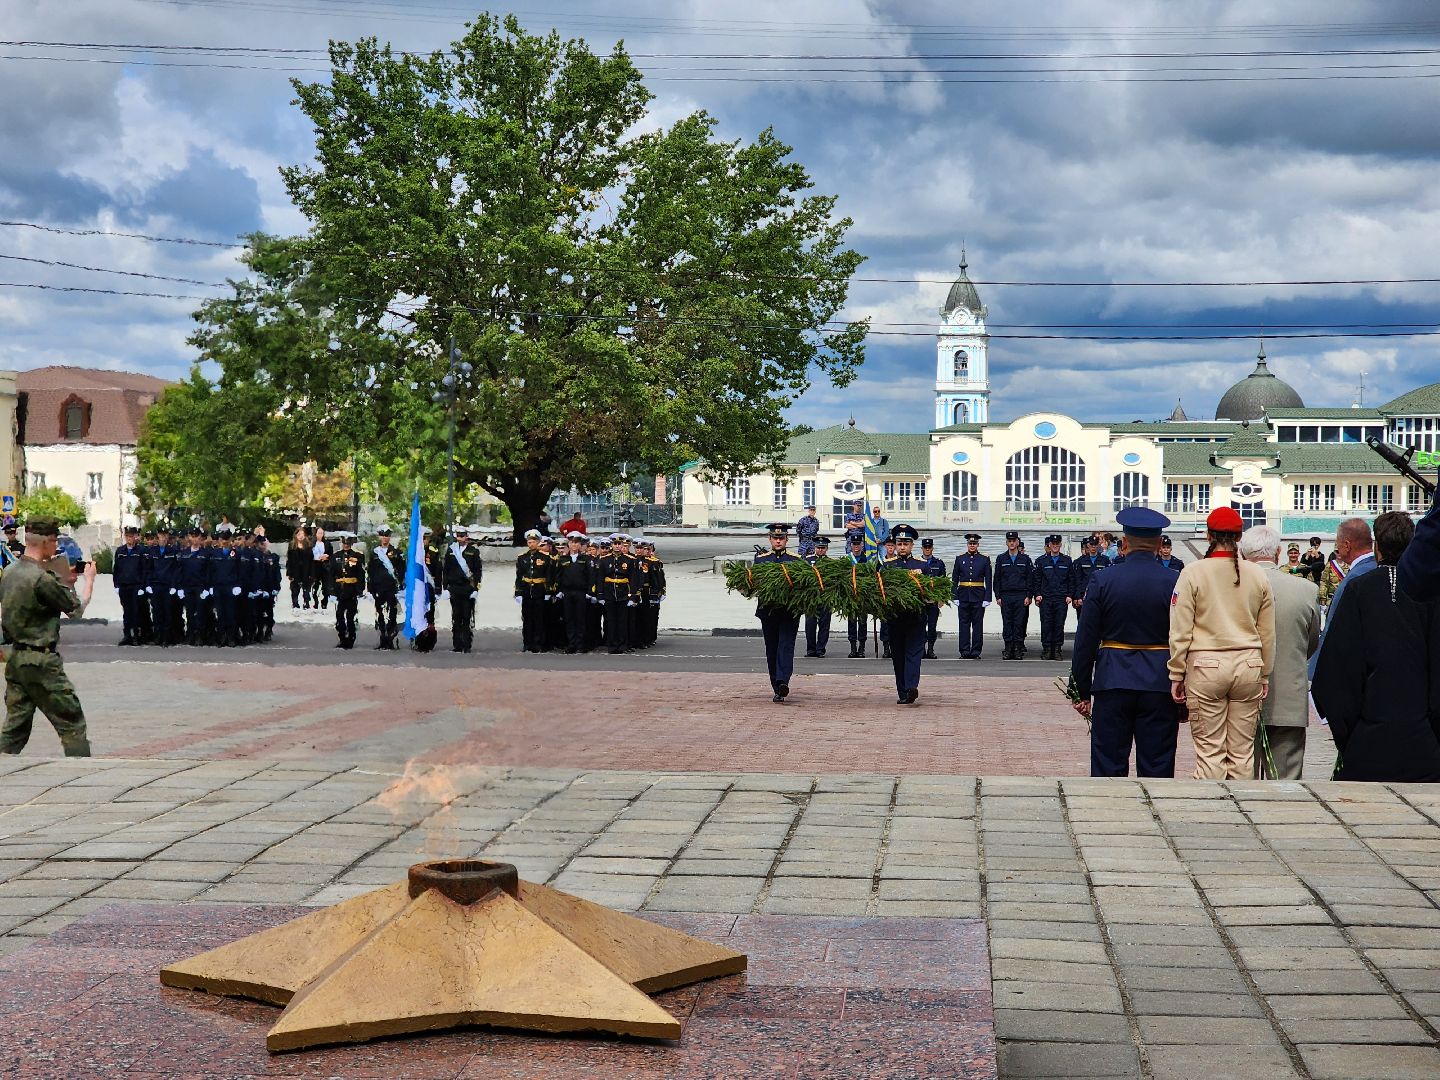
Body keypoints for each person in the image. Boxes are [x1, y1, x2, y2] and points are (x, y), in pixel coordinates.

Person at [1313, 511, 1440, 781]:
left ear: (1377, 548)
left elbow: (1336, 671)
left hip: (1368, 742)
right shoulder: (1430, 592)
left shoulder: (1359, 590)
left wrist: (1348, 735)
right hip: (1425, 742)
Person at [1069, 507, 1182, 777]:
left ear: (1125, 543)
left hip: (1113, 679)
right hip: (1159, 681)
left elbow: (1086, 638)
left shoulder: (1103, 579)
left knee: (1108, 765)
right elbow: (1186, 635)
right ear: (1159, 544)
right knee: (1157, 766)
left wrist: (1080, 690)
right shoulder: (1176, 581)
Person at [1169, 506, 1276, 780]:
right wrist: (1265, 673)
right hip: (1249, 664)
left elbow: (1180, 629)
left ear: (1208, 535)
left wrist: (1177, 673)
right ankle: (1242, 802)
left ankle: (1212, 803)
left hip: (1206, 666)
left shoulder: (1193, 572)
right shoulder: (1257, 574)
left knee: (1210, 753)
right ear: (1239, 537)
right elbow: (1267, 632)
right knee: (1242, 754)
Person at [0, 517, 97, 757]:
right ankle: (81, 770)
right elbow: (75, 609)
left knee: (14, 729)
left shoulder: (9, 572)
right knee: (71, 723)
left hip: (16, 659)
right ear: (47, 542)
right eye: (55, 541)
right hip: (42, 662)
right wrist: (89, 581)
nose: (57, 546)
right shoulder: (42, 578)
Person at [1239, 525, 1320, 780]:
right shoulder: (1306, 589)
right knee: (1286, 783)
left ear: (1243, 554)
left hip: (1241, 695)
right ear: (1278, 552)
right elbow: (1310, 642)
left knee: (1241, 782)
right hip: (1288, 696)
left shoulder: (1230, 589)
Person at [1311, 517, 1377, 679]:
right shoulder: (1377, 568)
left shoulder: (1355, 577)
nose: (1337, 548)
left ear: (1347, 545)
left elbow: (1333, 628)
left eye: (1338, 544)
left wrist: (1313, 672)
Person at [754, 523, 802, 702]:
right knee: (772, 649)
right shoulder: (761, 560)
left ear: (787, 539)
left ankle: (783, 682)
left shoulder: (796, 560)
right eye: (775, 538)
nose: (778, 541)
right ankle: (776, 686)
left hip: (789, 612)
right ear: (770, 539)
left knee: (786, 646)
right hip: (768, 612)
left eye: (781, 538)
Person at [884, 525, 928, 704]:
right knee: (898, 655)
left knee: (914, 653)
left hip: (916, 617)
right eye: (899, 544)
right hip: (895, 618)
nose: (902, 547)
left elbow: (929, 592)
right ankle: (902, 692)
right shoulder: (887, 566)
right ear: (895, 545)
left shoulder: (922, 565)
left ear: (912, 545)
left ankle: (911, 687)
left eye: (906, 544)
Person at [1031, 533, 1073, 661]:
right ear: (1049, 545)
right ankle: (1047, 649)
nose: (1055, 546)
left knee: (1059, 624)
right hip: (1046, 598)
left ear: (1060, 545)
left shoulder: (1067, 560)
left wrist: (1069, 595)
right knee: (1046, 624)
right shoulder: (1042, 561)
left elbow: (1071, 579)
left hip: (1061, 598)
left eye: (1057, 544)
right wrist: (1037, 594)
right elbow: (1037, 580)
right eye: (1053, 544)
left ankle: (1057, 649)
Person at [441, 527, 484, 653]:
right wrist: (445, 587)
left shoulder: (473, 551)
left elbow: (477, 571)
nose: (460, 538)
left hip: (467, 588)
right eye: (458, 536)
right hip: (454, 587)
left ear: (466, 537)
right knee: (456, 616)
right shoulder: (451, 550)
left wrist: (476, 589)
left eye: (462, 536)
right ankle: (457, 644)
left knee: (466, 616)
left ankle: (466, 643)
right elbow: (446, 570)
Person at [951, 533, 991, 659]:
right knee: (963, 624)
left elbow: (989, 580)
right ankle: (964, 651)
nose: (972, 545)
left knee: (977, 625)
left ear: (978, 545)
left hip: (978, 596)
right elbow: (954, 579)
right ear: (967, 544)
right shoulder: (959, 558)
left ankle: (975, 651)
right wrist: (954, 596)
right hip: (963, 595)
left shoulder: (984, 559)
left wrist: (988, 598)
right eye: (970, 543)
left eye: (974, 543)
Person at [994, 531, 1033, 660]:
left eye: (1013, 541)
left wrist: (1029, 595)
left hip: (1021, 595)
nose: (1011, 543)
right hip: (1006, 595)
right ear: (1006, 543)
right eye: (1009, 541)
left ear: (1017, 542)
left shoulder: (1025, 559)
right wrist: (998, 596)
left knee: (1019, 623)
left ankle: (1017, 648)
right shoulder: (1001, 558)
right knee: (1007, 622)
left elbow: (1029, 578)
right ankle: (1008, 648)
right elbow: (997, 579)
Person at [555, 532, 596, 654]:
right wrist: (559, 591)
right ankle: (571, 644)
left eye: (576, 543)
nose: (574, 545)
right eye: (572, 542)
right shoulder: (563, 559)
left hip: (581, 593)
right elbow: (558, 576)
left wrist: (590, 592)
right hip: (567, 593)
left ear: (580, 545)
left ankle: (580, 644)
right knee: (569, 619)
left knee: (581, 619)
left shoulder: (586, 559)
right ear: (568, 544)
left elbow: (591, 576)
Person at [113, 525, 148, 646]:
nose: (129, 538)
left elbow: (144, 570)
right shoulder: (120, 551)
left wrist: (143, 586)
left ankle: (136, 635)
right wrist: (116, 585)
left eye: (131, 536)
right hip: (124, 585)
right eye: (127, 536)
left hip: (136, 586)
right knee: (126, 612)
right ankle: (127, 635)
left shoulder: (140, 551)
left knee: (136, 611)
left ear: (136, 537)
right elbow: (116, 569)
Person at [330, 533, 366, 649]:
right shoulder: (335, 556)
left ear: (351, 543)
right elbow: (331, 574)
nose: (346, 545)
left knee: (350, 617)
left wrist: (360, 590)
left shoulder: (358, 556)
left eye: (348, 543)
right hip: (340, 590)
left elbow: (361, 574)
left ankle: (351, 638)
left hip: (352, 590)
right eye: (344, 543)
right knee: (339, 615)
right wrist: (331, 591)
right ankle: (342, 638)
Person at [368, 527, 402, 650]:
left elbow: (401, 570)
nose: (384, 538)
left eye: (387, 536)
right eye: (382, 536)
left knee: (392, 614)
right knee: (380, 614)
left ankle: (390, 639)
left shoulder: (396, 552)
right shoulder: (375, 553)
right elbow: (371, 571)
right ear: (379, 537)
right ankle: (383, 638)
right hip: (378, 587)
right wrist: (370, 588)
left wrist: (401, 585)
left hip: (391, 587)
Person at [177, 528, 210, 646]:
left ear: (200, 538)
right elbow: (180, 571)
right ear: (189, 538)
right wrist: (180, 587)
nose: (195, 539)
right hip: (187, 587)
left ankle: (200, 635)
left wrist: (207, 588)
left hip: (200, 587)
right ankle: (190, 634)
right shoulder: (184, 553)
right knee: (189, 613)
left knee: (200, 613)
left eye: (197, 537)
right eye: (193, 536)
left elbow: (208, 572)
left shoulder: (205, 554)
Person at [803, 535, 833, 657]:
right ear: (815, 547)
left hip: (825, 597)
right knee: (810, 624)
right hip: (811, 598)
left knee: (824, 624)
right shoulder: (807, 560)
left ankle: (820, 649)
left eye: (823, 548)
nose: (820, 550)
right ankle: (811, 649)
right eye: (818, 547)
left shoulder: (831, 563)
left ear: (826, 549)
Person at [844, 534, 872, 657]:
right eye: (854, 544)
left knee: (862, 622)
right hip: (850, 595)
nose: (856, 546)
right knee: (851, 622)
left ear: (862, 545)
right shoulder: (846, 560)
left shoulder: (866, 560)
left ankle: (861, 648)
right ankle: (853, 648)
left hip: (862, 596)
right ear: (851, 545)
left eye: (858, 544)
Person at [919, 537, 946, 659]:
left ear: (932, 548)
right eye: (925, 547)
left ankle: (930, 649)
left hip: (933, 601)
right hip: (920, 601)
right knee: (920, 627)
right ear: (922, 548)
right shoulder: (917, 562)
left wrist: (942, 598)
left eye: (929, 547)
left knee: (932, 627)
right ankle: (921, 649)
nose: (927, 549)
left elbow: (944, 583)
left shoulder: (939, 563)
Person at [287, 526, 314, 609]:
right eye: (299, 534)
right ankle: (295, 604)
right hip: (295, 570)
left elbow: (311, 560)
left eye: (302, 534)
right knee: (295, 589)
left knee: (306, 589)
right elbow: (289, 560)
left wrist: (312, 573)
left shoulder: (308, 546)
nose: (301, 536)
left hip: (306, 570)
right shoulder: (292, 546)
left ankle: (306, 603)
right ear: (295, 535)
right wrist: (289, 573)